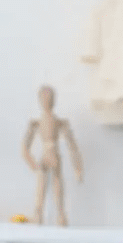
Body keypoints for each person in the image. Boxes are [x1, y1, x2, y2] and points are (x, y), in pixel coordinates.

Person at [22, 85, 84, 226]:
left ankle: (60, 217)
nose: (47, 100)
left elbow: (72, 147)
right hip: (46, 156)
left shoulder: (59, 123)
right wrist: (32, 163)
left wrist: (78, 168)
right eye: (44, 97)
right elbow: (24, 147)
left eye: (49, 97)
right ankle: (40, 216)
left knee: (56, 186)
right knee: (43, 187)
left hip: (53, 155)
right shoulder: (36, 123)